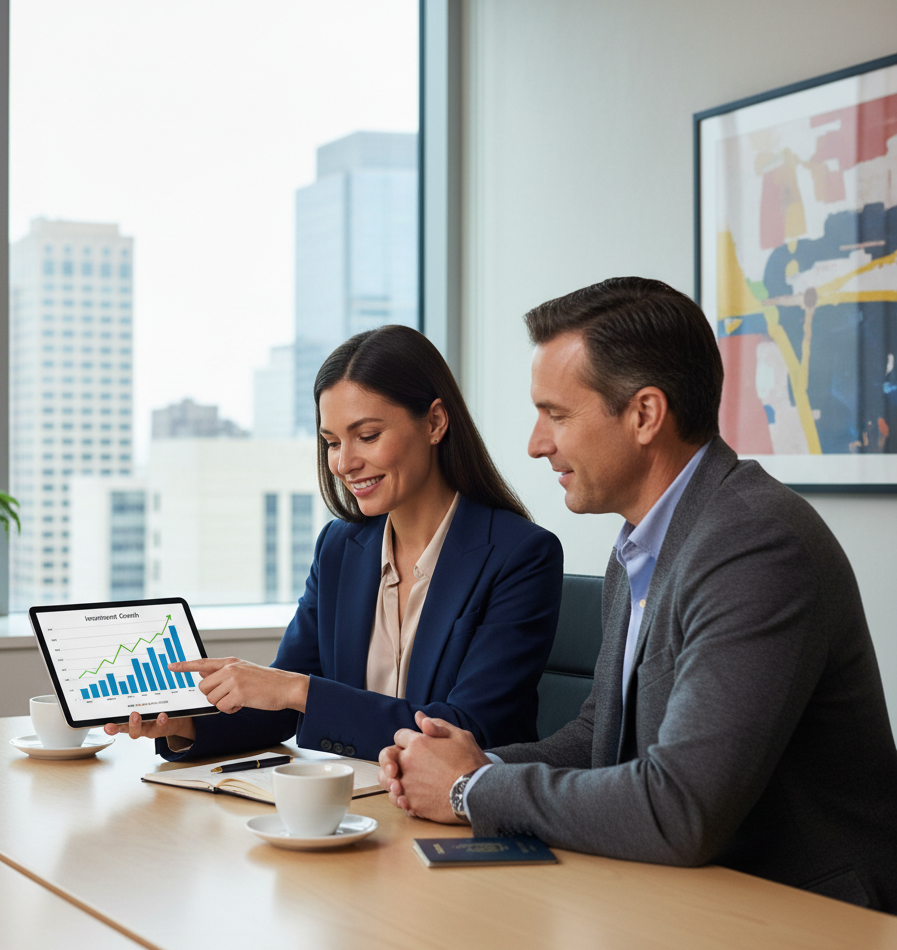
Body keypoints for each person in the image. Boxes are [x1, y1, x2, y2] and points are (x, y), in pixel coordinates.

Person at [379, 278, 897, 913]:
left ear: (645, 415)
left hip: (808, 921)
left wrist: (474, 788)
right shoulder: (642, 542)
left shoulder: (755, 545)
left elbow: (682, 807)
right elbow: (604, 735)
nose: (536, 443)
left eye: (557, 414)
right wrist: (465, 762)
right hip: (693, 898)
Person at [105, 324, 563, 762]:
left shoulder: (520, 556)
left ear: (435, 423)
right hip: (354, 806)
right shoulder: (341, 548)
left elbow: (466, 730)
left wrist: (296, 689)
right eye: (331, 442)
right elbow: (280, 709)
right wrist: (185, 725)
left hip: (458, 820)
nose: (344, 463)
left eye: (367, 436)